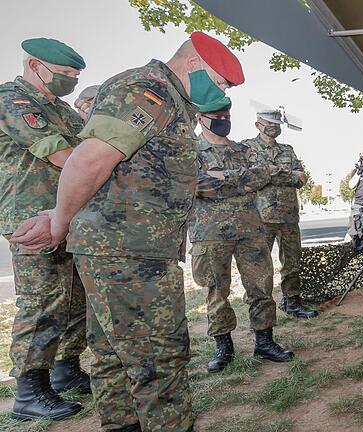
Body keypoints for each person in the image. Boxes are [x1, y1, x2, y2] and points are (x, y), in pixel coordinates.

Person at [11, 31, 245, 431]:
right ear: (192, 64)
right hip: (128, 251)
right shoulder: (148, 92)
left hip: (121, 248)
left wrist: (59, 211)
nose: (220, 91)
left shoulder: (169, 98)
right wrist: (60, 219)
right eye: (220, 81)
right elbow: (89, 160)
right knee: (159, 358)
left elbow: (112, 171)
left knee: (113, 355)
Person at [0, 38, 90, 421]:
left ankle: (65, 369)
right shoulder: (13, 101)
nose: (69, 81)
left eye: (75, 76)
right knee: (43, 303)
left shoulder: (64, 111)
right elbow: (68, 157)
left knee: (73, 298)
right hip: (31, 217)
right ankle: (29, 391)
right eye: (65, 74)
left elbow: (88, 146)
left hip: (66, 213)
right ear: (35, 65)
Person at [190, 100, 294, 373]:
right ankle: (224, 347)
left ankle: (265, 341)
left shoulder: (244, 150)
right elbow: (198, 184)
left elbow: (263, 175)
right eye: (217, 115)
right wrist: (238, 180)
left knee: (261, 287)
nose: (224, 118)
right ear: (201, 118)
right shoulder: (191, 150)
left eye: (227, 114)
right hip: (210, 233)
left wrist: (222, 177)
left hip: (250, 230)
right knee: (217, 291)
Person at [242, 111, 317, 319]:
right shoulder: (247, 148)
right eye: (269, 122)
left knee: (292, 262)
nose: (274, 126)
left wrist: (271, 172)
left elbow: (302, 178)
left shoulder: (287, 150)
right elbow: (249, 179)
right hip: (261, 217)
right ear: (258, 124)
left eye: (277, 122)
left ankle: (292, 302)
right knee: (259, 265)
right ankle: (259, 307)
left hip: (289, 216)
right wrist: (284, 175)